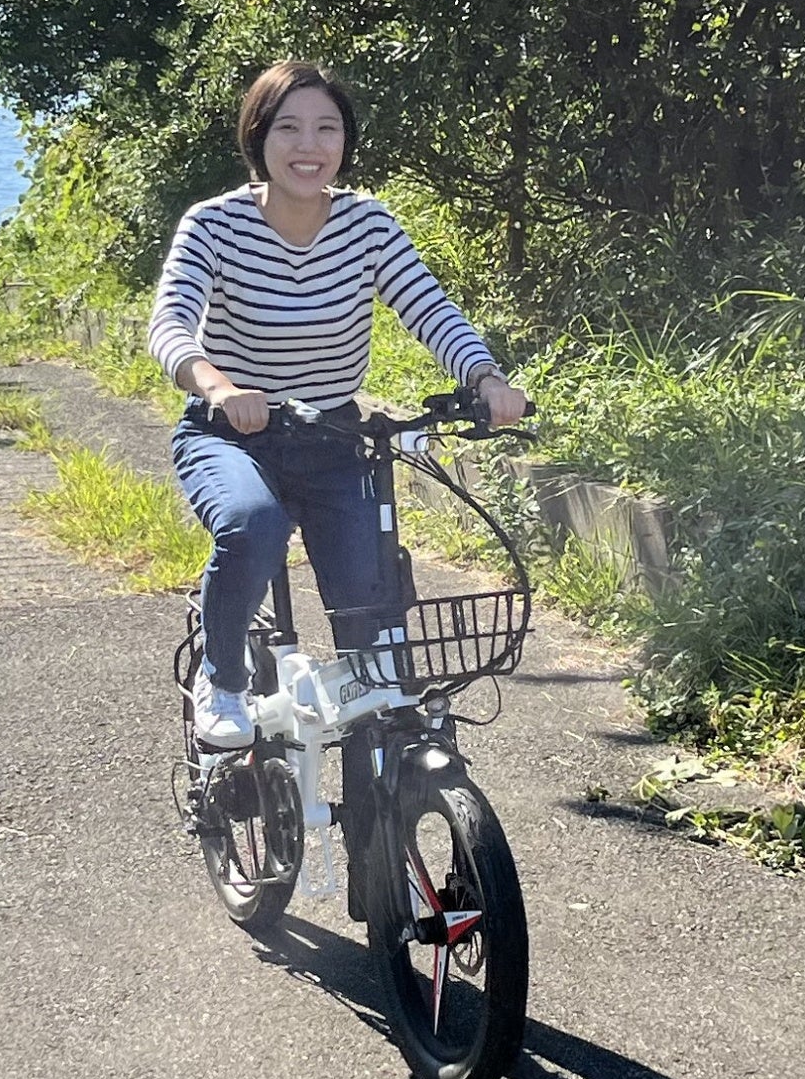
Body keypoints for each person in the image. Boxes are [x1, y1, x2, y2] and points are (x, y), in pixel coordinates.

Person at [152, 60, 530, 750]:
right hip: (230, 434)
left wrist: (485, 378)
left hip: (334, 438)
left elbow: (429, 308)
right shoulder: (216, 225)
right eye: (290, 128)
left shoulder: (367, 224)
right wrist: (220, 387)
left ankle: (383, 807)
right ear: (259, 137)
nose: (309, 146)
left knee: (372, 620)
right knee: (253, 524)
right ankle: (223, 676)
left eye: (327, 129)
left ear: (345, 142)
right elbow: (171, 324)